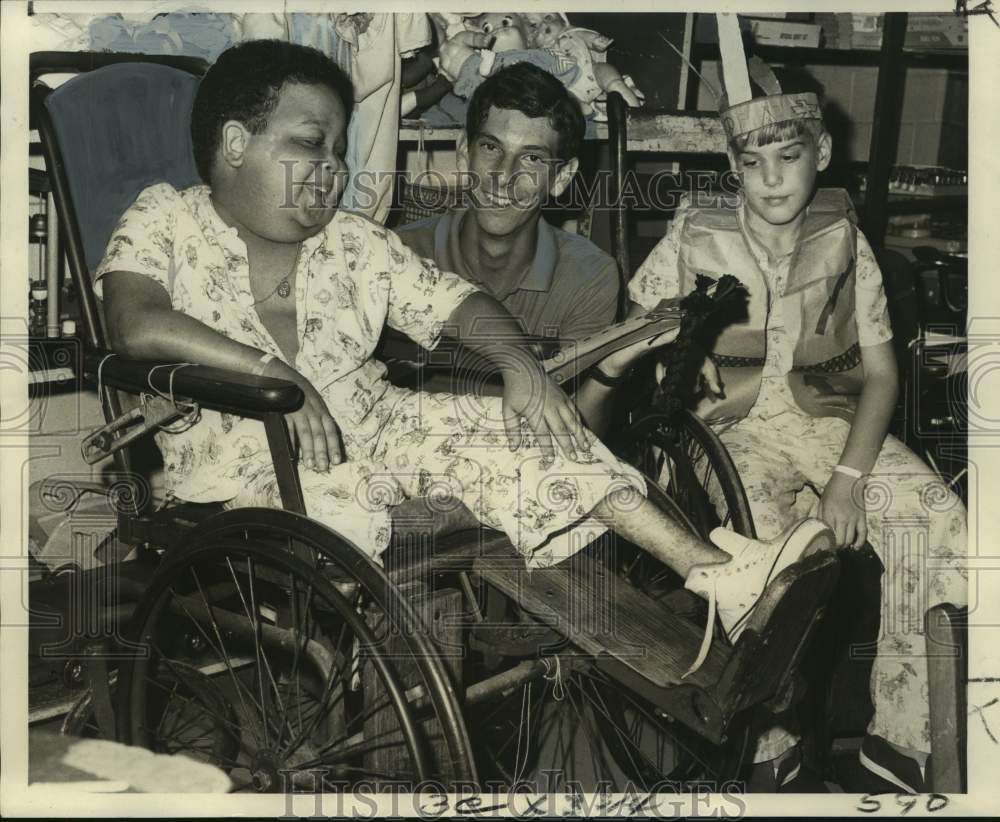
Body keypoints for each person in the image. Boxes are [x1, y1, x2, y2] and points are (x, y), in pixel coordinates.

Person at [96, 39, 833, 672]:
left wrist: (521, 367)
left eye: (340, 150)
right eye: (309, 144)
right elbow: (135, 322)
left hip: (376, 427)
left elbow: (460, 303)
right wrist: (274, 375)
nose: (333, 168)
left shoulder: (353, 242)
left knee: (530, 430)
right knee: (404, 519)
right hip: (244, 468)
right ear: (233, 145)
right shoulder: (168, 218)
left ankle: (718, 576)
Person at [626, 59, 967, 792]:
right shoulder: (694, 234)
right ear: (732, 165)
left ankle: (899, 743)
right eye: (753, 163)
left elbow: (881, 375)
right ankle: (769, 746)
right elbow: (631, 335)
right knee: (777, 566)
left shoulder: (846, 240)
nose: (772, 179)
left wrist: (846, 483)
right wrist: (675, 356)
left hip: (828, 428)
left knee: (938, 520)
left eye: (789, 158)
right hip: (729, 436)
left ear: (821, 154)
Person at [394, 61, 638, 435]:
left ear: (561, 178)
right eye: (491, 147)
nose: (503, 176)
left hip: (528, 464)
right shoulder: (398, 254)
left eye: (532, 157)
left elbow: (581, 439)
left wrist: (610, 371)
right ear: (464, 154)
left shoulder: (590, 276)